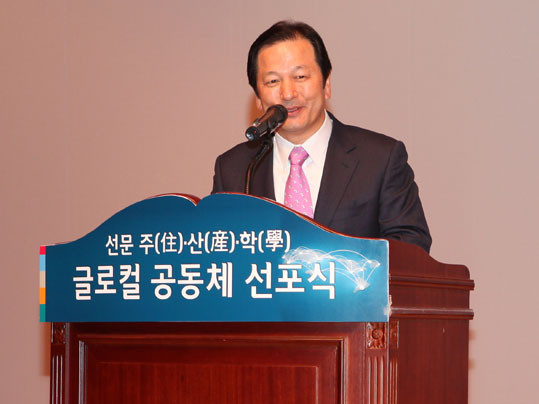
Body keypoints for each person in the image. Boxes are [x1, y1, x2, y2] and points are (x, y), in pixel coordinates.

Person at [212, 20, 432, 253]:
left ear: (326, 83)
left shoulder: (380, 159)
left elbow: (411, 248)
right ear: (258, 97)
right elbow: (216, 251)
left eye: (300, 77)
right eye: (273, 81)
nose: (288, 93)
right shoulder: (234, 169)